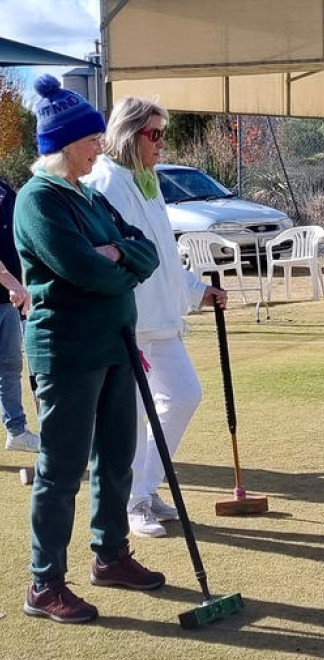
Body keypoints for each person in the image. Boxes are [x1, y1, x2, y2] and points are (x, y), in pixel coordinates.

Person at [14, 74, 163, 623]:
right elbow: (82, 270)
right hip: (68, 351)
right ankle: (44, 583)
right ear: (64, 145)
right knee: (62, 468)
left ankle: (111, 555)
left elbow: (146, 252)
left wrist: (116, 254)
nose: (101, 146)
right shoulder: (38, 200)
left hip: (115, 345)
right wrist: (116, 262)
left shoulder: (90, 195)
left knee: (116, 456)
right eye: (91, 139)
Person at [83, 96, 227, 538]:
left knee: (183, 394)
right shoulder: (107, 183)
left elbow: (162, 252)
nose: (162, 143)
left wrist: (196, 290)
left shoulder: (146, 181)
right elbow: (110, 257)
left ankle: (143, 488)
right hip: (129, 323)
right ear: (130, 134)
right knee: (130, 416)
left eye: (163, 134)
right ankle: (132, 501)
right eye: (155, 134)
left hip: (160, 319)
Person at [0, 178, 39, 454]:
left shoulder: (5, 190)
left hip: (8, 300)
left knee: (10, 366)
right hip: (10, 290)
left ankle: (17, 431)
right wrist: (12, 283)